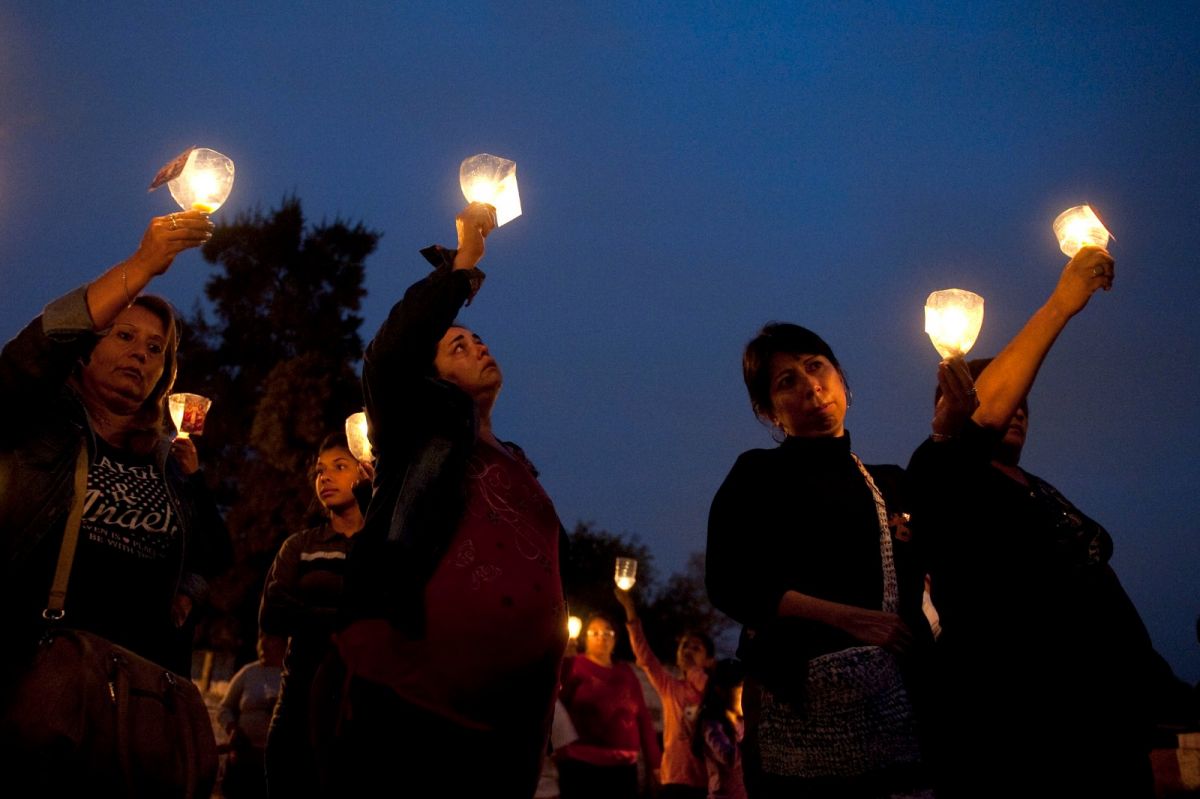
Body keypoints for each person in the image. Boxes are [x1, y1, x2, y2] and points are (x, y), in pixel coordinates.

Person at [907, 245, 1174, 797]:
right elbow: (973, 429)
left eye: (1025, 399)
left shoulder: (1042, 492)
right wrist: (1061, 303)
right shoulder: (942, 475)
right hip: (1026, 739)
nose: (1018, 407)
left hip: (1108, 727)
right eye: (1008, 397)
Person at [329, 202, 569, 798]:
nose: (478, 347)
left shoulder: (516, 461)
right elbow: (386, 357)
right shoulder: (415, 431)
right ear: (431, 376)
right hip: (415, 701)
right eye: (457, 346)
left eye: (478, 339)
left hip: (509, 729)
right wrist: (462, 265)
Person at [0, 211, 227, 783]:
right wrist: (142, 266)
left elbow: (211, 551)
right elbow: (28, 358)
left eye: (156, 349)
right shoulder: (39, 429)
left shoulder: (166, 464)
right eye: (124, 337)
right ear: (86, 351)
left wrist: (189, 591)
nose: (141, 355)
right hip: (41, 687)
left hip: (139, 706)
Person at [706, 321, 960, 797]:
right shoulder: (759, 474)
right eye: (787, 382)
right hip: (798, 720)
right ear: (769, 412)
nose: (810, 385)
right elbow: (728, 581)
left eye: (815, 366)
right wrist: (850, 620)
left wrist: (950, 432)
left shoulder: (891, 484)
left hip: (903, 721)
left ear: (841, 378)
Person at [259, 432, 369, 798]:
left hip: (366, 706)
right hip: (299, 703)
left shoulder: (383, 547)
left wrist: (311, 613)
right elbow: (275, 608)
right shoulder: (302, 546)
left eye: (340, 467)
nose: (325, 477)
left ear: (366, 472)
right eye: (321, 470)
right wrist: (345, 619)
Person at [616, 586, 714, 798]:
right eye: (685, 646)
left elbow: (709, 692)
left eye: (696, 648)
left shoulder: (712, 689)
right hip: (674, 779)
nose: (687, 650)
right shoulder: (670, 686)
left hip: (705, 779)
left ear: (709, 661)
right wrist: (630, 610)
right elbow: (646, 658)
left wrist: (694, 670)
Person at [556, 614, 663, 799]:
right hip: (582, 766)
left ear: (614, 639)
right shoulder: (574, 664)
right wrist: (565, 662)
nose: (601, 637)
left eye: (607, 633)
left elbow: (643, 718)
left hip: (623, 768)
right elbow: (558, 703)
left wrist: (655, 764)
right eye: (594, 633)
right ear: (585, 638)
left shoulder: (625, 672)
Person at [219, 633, 286, 799]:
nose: (263, 644)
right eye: (261, 639)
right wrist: (233, 728)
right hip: (243, 757)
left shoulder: (290, 676)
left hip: (276, 762)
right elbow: (224, 708)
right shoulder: (249, 672)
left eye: (270, 638)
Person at [692, 658, 747, 799]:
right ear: (721, 691)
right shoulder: (712, 726)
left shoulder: (742, 723)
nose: (746, 697)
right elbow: (730, 759)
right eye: (741, 692)